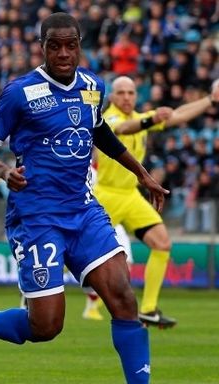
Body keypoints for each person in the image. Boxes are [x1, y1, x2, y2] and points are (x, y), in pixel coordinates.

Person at [0, 13, 168, 384]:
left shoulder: (93, 86)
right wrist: (5, 170)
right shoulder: (20, 92)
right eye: (53, 46)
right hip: (36, 217)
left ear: (79, 45)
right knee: (46, 327)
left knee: (123, 297)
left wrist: (141, 172)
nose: (63, 53)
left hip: (83, 209)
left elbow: (99, 130)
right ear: (42, 48)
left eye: (70, 45)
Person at [89, 75, 219, 327]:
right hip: (105, 194)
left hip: (130, 195)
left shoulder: (139, 116)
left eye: (131, 93)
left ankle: (148, 308)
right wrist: (151, 118)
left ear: (136, 96)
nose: (126, 97)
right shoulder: (109, 119)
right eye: (121, 93)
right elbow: (127, 128)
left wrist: (209, 101)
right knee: (77, 254)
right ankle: (34, 290)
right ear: (113, 97)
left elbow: (178, 116)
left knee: (162, 243)